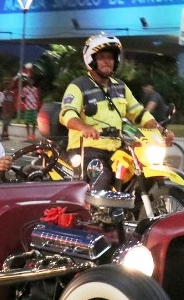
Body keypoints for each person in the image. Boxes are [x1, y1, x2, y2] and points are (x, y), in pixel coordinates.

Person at [59, 32, 170, 189]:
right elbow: (67, 114)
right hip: (86, 150)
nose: (107, 61)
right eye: (102, 57)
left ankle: (133, 209)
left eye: (110, 57)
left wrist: (160, 131)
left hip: (115, 149)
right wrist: (85, 128)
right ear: (91, 59)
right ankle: (95, 212)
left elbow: (139, 113)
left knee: (139, 171)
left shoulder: (120, 87)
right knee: (103, 176)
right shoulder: (78, 86)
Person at [19, 75, 41, 141]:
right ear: (28, 81)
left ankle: (33, 135)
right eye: (29, 80)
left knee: (34, 122)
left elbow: (37, 97)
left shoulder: (35, 89)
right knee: (27, 122)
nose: (30, 82)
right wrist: (23, 98)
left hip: (34, 107)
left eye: (31, 80)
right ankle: (28, 135)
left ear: (33, 81)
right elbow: (22, 97)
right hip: (28, 107)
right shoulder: (25, 89)